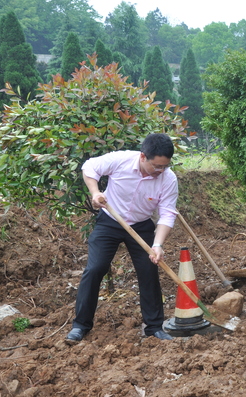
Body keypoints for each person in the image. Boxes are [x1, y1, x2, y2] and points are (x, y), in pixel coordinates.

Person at [66, 133, 179, 343]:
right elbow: (89, 167)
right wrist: (95, 192)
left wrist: (158, 244)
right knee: (95, 268)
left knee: (149, 270)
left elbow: (167, 213)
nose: (160, 171)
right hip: (110, 220)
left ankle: (154, 327)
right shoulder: (122, 160)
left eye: (165, 166)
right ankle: (81, 325)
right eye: (157, 166)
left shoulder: (168, 179)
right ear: (143, 157)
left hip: (141, 224)